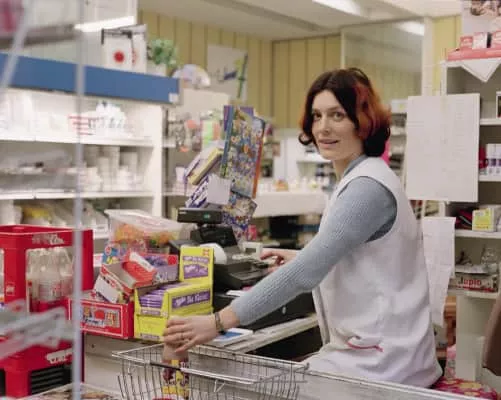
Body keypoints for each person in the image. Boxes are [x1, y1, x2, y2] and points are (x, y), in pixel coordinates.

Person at [163, 68, 442, 388]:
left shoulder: (367, 189)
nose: (323, 127)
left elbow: (305, 274)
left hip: (383, 362)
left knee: (262, 389)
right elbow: (358, 257)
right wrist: (299, 256)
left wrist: (216, 322)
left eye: (337, 115)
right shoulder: (363, 176)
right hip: (383, 352)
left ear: (362, 121)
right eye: (317, 116)